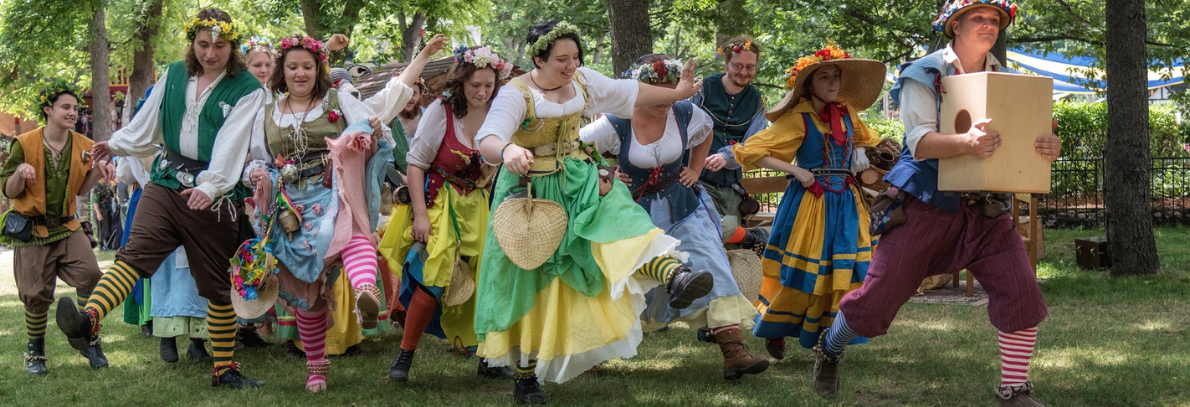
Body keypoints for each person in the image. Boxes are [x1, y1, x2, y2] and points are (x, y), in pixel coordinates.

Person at [812, 2, 1059, 406]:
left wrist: (1047, 146)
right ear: (954, 25)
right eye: (979, 18)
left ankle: (1013, 389)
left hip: (986, 208)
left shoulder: (1006, 79)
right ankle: (830, 346)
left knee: (1021, 292)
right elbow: (920, 142)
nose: (989, 25)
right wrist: (966, 142)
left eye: (995, 20)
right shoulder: (923, 73)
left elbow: (1022, 139)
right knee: (874, 304)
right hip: (925, 203)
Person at [472, 21, 714, 404]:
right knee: (530, 275)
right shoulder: (516, 94)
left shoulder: (584, 80)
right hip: (531, 191)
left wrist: (680, 91)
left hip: (580, 175)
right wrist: (507, 151)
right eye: (561, 59)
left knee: (621, 221)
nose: (571, 65)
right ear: (539, 59)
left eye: (575, 57)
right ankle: (524, 374)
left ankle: (675, 275)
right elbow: (488, 137)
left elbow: (630, 90)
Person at [55, 8, 266, 388]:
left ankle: (225, 369)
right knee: (134, 255)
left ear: (232, 46)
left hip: (212, 198)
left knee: (217, 284)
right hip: (166, 181)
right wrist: (117, 144)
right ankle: (89, 321)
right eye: (203, 44)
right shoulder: (173, 74)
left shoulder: (248, 88)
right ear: (193, 43)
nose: (210, 53)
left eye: (219, 45)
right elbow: (147, 120)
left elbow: (234, 143)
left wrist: (210, 186)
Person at [242, 32, 414, 392]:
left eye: (308, 66)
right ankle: (316, 368)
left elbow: (368, 126)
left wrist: (371, 130)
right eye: (293, 67)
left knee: (352, 234)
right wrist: (256, 174)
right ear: (282, 71)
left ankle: (366, 289)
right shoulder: (269, 111)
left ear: (319, 68)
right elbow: (255, 156)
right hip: (291, 205)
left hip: (334, 189)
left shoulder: (338, 98)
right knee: (309, 288)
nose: (300, 73)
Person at [580, 54, 770, 381]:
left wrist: (695, 169)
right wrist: (605, 172)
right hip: (633, 213)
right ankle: (592, 350)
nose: (669, 99)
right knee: (618, 279)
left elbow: (706, 131)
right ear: (642, 90)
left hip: (683, 206)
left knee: (712, 263)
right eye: (662, 92)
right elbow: (577, 150)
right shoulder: (615, 121)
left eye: (674, 90)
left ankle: (733, 350)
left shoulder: (684, 111)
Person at [726, 43, 885, 361]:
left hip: (847, 203)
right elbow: (750, 150)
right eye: (824, 77)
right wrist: (795, 169)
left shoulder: (847, 114)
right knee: (801, 275)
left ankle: (830, 338)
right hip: (810, 207)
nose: (832, 83)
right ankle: (775, 328)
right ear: (809, 85)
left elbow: (874, 143)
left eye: (835, 77)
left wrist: (878, 156)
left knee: (844, 273)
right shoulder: (799, 119)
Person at [378, 44, 514, 383]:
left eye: (488, 85)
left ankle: (489, 357)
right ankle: (405, 355)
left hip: (479, 205)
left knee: (487, 279)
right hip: (442, 202)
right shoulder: (442, 111)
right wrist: (421, 217)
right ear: (462, 82)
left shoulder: (501, 111)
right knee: (433, 276)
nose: (482, 92)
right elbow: (415, 164)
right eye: (475, 85)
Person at [3, 80, 109, 375]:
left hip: (68, 225)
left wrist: (97, 171)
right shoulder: (24, 143)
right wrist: (21, 173)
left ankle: (89, 339)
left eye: (76, 108)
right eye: (66, 107)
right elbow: (9, 191)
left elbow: (82, 189)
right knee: (35, 294)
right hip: (33, 229)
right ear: (48, 109)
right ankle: (36, 354)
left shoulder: (86, 146)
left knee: (90, 275)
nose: (73, 112)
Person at [695, 36, 768, 226]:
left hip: (731, 188)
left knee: (734, 244)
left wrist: (728, 157)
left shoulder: (757, 101)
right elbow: (681, 127)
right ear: (727, 63)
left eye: (750, 67)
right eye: (738, 66)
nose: (744, 72)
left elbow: (755, 141)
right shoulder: (702, 89)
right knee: (707, 235)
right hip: (696, 182)